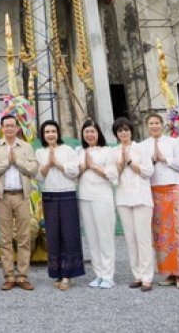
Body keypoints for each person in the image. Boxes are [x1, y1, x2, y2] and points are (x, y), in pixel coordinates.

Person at [0, 114, 39, 291]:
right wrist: (7, 163)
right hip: (3, 196)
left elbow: (33, 168)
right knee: (5, 237)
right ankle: (8, 275)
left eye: (12, 126)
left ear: (17, 128)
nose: (9, 128)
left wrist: (18, 161)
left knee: (24, 237)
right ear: (2, 128)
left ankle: (23, 275)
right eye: (6, 125)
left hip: (22, 195)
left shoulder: (26, 147)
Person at [140, 112, 179, 290]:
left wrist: (165, 159)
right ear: (147, 126)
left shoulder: (173, 142)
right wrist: (152, 162)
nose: (154, 126)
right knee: (161, 233)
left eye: (157, 123)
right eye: (151, 123)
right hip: (154, 189)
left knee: (178, 230)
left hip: (173, 186)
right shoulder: (143, 146)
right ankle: (168, 272)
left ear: (162, 124)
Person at [35, 119, 84, 290]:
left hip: (67, 193)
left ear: (58, 133)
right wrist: (48, 164)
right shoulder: (39, 152)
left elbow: (74, 171)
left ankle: (68, 275)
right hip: (49, 194)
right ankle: (56, 272)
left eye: (53, 131)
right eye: (47, 132)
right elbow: (38, 177)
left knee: (69, 234)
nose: (50, 135)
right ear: (43, 134)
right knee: (53, 234)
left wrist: (58, 164)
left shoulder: (68, 150)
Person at [112, 117, 155, 291]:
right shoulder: (114, 151)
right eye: (120, 130)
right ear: (116, 134)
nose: (123, 133)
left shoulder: (141, 148)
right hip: (123, 198)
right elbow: (113, 177)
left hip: (142, 197)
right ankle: (136, 274)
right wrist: (121, 164)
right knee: (130, 238)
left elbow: (148, 171)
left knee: (143, 237)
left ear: (131, 131)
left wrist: (130, 162)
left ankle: (147, 276)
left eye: (126, 129)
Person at [77, 119, 117, 288]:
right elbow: (73, 172)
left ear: (98, 133)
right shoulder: (79, 151)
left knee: (105, 236)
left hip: (102, 196)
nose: (90, 135)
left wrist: (93, 166)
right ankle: (98, 273)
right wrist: (84, 167)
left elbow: (113, 176)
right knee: (92, 237)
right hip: (85, 196)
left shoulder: (108, 151)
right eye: (86, 132)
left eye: (92, 131)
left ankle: (108, 275)